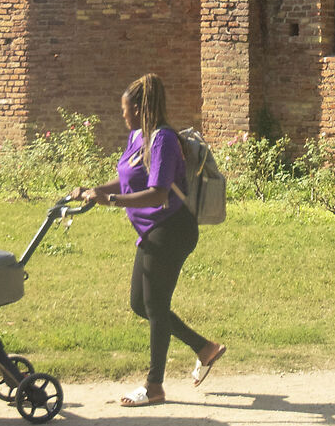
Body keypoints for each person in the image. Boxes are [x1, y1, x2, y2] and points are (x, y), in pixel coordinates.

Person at [69, 73, 225, 406]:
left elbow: (158, 193)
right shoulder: (138, 136)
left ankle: (154, 386)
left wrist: (109, 202)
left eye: (126, 110)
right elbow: (126, 180)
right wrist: (91, 190)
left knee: (155, 306)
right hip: (153, 231)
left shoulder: (164, 139)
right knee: (140, 304)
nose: (123, 116)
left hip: (172, 228)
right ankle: (204, 348)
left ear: (140, 108)